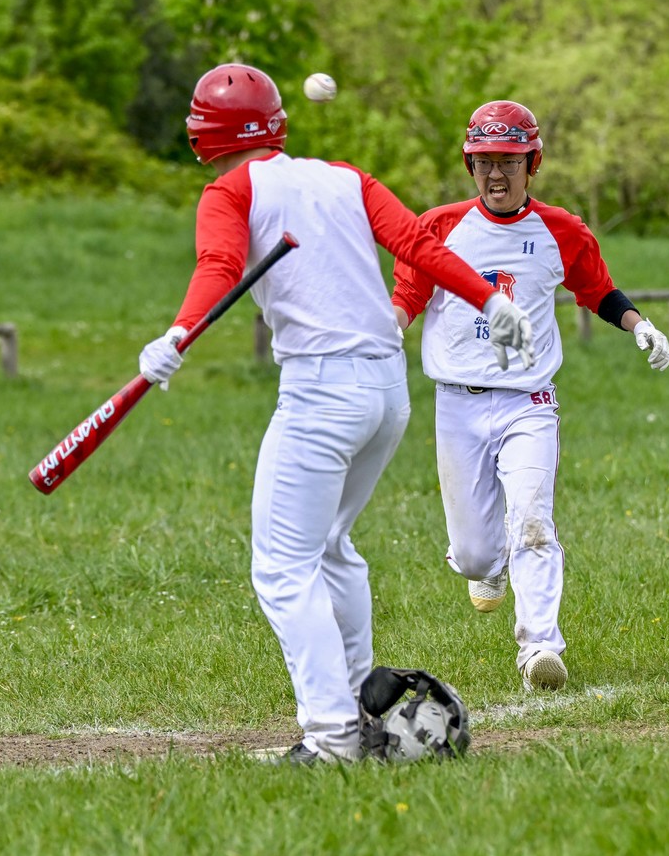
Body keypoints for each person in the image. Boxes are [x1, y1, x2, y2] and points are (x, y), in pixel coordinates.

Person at [136, 64, 535, 765]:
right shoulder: (345, 176)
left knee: (283, 567)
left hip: (322, 393)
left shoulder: (230, 188)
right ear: (278, 122)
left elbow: (219, 263)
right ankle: (362, 710)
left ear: (204, 134)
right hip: (386, 389)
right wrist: (492, 300)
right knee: (330, 547)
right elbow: (418, 244)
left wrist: (178, 333)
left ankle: (331, 735)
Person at [390, 100, 669, 693]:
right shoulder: (440, 227)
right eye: (485, 161)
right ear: (470, 165)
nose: (496, 174)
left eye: (510, 162)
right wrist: (388, 331)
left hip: (529, 402)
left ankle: (540, 647)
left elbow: (599, 290)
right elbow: (408, 295)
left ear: (533, 163)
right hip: (459, 403)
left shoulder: (561, 230)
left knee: (534, 521)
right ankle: (486, 568)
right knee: (472, 555)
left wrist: (640, 326)